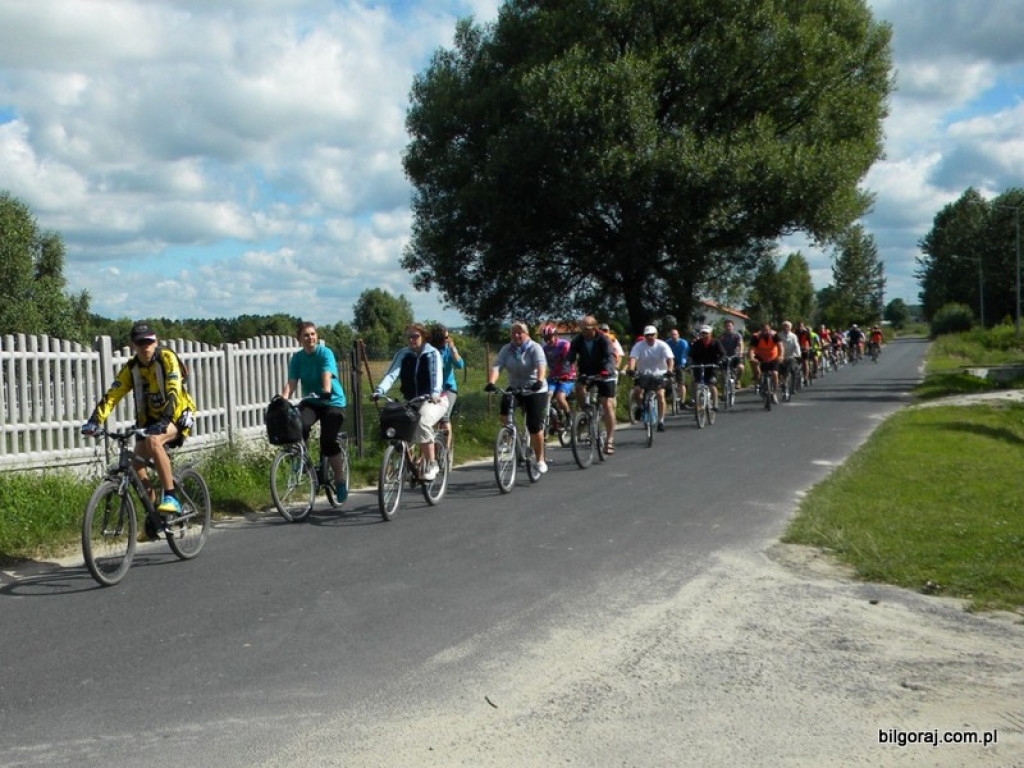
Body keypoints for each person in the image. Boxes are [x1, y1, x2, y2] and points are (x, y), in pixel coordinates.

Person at [81, 322, 197, 538]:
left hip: (176, 416)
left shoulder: (166, 358)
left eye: (149, 341)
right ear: (132, 345)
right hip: (150, 421)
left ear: (156, 342)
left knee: (154, 442)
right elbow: (113, 395)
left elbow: (173, 389)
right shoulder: (131, 368)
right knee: (136, 464)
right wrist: (94, 421)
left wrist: (164, 420)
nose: (145, 346)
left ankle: (170, 496)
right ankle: (155, 513)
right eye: (140, 343)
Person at [280, 321, 349, 503]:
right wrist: (283, 399)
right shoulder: (297, 358)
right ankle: (301, 461)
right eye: (306, 335)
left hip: (332, 401)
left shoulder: (325, 353)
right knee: (298, 424)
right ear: (299, 339)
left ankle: (340, 480)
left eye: (312, 334)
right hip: (312, 401)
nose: (310, 338)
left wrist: (326, 390)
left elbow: (327, 373)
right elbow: (292, 381)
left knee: (327, 441)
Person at [372, 323, 447, 481]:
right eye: (409, 337)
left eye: (416, 336)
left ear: (424, 337)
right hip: (411, 399)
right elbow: (391, 374)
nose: (412, 339)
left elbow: (436, 374)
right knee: (398, 426)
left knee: (423, 421)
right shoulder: (403, 354)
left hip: (435, 399)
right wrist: (380, 391)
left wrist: (434, 393)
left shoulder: (432, 353)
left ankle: (432, 463)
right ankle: (405, 465)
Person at [486, 322, 550, 473]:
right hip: (515, 387)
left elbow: (541, 365)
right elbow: (497, 366)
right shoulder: (506, 349)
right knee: (504, 414)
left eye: (519, 332)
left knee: (534, 426)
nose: (516, 335)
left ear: (526, 334)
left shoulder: (535, 348)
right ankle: (511, 435)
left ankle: (540, 459)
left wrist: (539, 381)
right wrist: (491, 382)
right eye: (513, 333)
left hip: (535, 388)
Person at [566, 314, 618, 454]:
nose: (583, 331)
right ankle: (586, 411)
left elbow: (609, 356)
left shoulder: (603, 339)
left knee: (607, 403)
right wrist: (567, 367)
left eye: (586, 328)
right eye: (582, 328)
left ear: (594, 328)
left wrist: (607, 370)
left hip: (605, 373)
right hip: (587, 372)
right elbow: (571, 355)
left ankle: (609, 439)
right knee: (578, 387)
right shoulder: (578, 340)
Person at [626, 325, 674, 431]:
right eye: (647, 335)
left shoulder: (662, 345)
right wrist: (631, 369)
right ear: (644, 336)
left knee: (660, 395)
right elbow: (633, 358)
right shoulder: (639, 346)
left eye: (652, 335)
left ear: (656, 335)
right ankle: (642, 408)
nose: (650, 337)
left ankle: (661, 421)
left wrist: (670, 370)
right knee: (637, 391)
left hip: (659, 373)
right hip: (643, 373)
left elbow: (670, 359)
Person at [429, 324, 463, 452]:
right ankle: (430, 450)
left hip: (448, 388)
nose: (448, 339)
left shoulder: (448, 350)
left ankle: (445, 452)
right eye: (446, 337)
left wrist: (453, 348)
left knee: (444, 417)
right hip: (432, 388)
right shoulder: (430, 351)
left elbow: (460, 364)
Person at [541, 323, 575, 431]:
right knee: (546, 396)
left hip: (567, 376)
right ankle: (554, 419)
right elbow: (541, 364)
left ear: (555, 335)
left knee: (560, 397)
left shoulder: (564, 345)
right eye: (545, 339)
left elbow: (567, 361)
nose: (548, 341)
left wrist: (565, 374)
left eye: (549, 337)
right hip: (553, 377)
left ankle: (569, 416)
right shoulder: (544, 349)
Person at [687, 325, 727, 409]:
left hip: (712, 366)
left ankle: (715, 403)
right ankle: (695, 402)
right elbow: (691, 355)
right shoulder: (697, 344)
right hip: (698, 366)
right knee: (696, 383)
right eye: (703, 333)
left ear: (710, 334)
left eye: (706, 333)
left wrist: (720, 360)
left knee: (711, 384)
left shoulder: (716, 342)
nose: (704, 335)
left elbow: (723, 354)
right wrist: (689, 362)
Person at [750, 322, 783, 402]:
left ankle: (774, 392)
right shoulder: (756, 337)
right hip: (760, 357)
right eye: (764, 330)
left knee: (775, 373)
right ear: (761, 330)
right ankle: (759, 383)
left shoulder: (775, 335)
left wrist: (781, 356)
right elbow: (751, 350)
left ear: (770, 330)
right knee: (757, 370)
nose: (766, 332)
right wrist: (752, 357)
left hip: (773, 357)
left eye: (767, 330)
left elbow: (780, 347)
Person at [664, 328, 689, 410]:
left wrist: (682, 364)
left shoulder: (683, 343)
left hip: (680, 362)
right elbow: (665, 354)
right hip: (671, 363)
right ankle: (668, 393)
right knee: (667, 379)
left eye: (675, 334)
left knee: (681, 383)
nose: (673, 336)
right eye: (672, 334)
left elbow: (684, 354)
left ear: (678, 335)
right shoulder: (667, 343)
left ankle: (682, 402)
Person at [778, 321, 802, 397]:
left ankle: (793, 387)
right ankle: (782, 383)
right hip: (781, 356)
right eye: (784, 326)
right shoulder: (779, 335)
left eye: (787, 326)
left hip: (791, 355)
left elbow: (796, 345)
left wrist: (798, 354)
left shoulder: (793, 336)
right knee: (780, 371)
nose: (786, 328)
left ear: (790, 328)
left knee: (793, 370)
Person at [719, 319, 745, 390]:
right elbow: (718, 346)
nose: (728, 327)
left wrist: (740, 352)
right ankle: (723, 391)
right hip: (725, 357)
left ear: (733, 326)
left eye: (729, 326)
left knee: (741, 368)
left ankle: (737, 380)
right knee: (723, 374)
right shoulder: (721, 336)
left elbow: (741, 344)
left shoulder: (737, 335)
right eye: (726, 326)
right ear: (724, 327)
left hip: (735, 356)